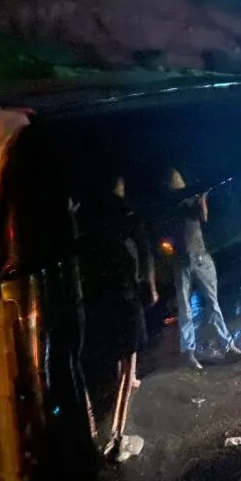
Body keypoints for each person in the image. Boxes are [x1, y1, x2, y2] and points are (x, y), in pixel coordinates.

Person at [78, 175, 156, 461]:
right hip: (125, 300)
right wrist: (147, 286)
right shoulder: (124, 226)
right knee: (128, 365)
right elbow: (138, 259)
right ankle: (117, 436)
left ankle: (108, 431)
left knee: (121, 365)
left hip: (104, 302)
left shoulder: (90, 229)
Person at [166, 168, 241, 369]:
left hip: (200, 257)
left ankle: (228, 347)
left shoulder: (190, 200)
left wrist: (203, 196)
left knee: (213, 305)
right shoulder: (173, 205)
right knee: (185, 310)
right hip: (182, 261)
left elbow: (203, 217)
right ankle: (188, 354)